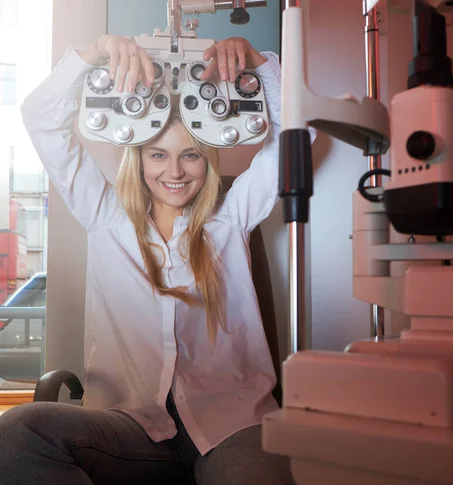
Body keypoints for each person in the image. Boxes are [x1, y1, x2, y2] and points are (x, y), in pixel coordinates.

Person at [0, 33, 302, 485]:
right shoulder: (104, 218)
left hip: (231, 425)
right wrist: (92, 53)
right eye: (158, 155)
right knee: (17, 434)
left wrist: (261, 65)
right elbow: (40, 117)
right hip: (130, 426)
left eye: (191, 156)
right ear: (138, 159)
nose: (174, 172)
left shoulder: (231, 219)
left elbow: (299, 135)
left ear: (209, 161)